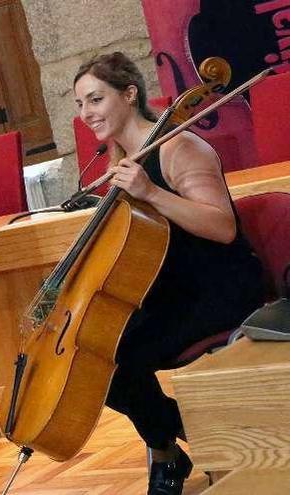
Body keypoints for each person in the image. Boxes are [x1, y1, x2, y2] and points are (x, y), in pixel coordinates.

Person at [73, 52, 265, 495]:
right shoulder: (120, 158)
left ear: (129, 94)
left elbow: (221, 226)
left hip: (219, 285)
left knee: (117, 359)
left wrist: (150, 192)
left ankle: (169, 453)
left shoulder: (182, 148)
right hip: (170, 287)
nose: (86, 114)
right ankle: (195, 437)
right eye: (81, 105)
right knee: (89, 355)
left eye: (96, 99)